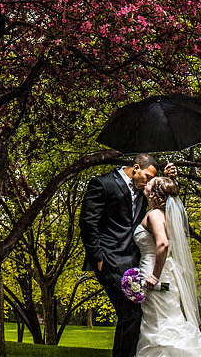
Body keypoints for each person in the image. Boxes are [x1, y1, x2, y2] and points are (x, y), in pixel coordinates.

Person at [79, 153, 174, 357]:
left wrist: (169, 177)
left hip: (132, 262)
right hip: (108, 260)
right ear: (136, 167)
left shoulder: (143, 190)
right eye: (147, 176)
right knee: (130, 313)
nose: (149, 181)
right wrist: (98, 258)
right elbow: (88, 223)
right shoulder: (102, 184)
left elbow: (163, 197)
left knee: (132, 316)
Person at [133, 176, 201, 357]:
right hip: (165, 274)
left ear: (155, 193)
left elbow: (162, 244)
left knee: (161, 327)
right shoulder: (166, 216)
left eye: (150, 182)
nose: (146, 183)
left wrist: (154, 276)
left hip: (155, 275)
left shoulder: (155, 215)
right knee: (167, 322)